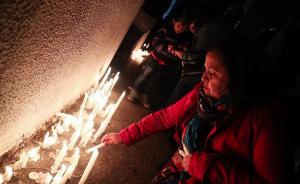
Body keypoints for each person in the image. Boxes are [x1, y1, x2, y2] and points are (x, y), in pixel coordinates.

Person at [101, 37, 292, 183]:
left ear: (239, 79)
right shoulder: (202, 95)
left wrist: (207, 167)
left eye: (212, 73)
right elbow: (165, 117)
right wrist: (125, 135)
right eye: (204, 70)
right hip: (174, 173)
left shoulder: (266, 121)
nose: (202, 79)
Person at [127, 6, 193, 109]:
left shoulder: (183, 39)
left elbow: (181, 54)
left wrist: (178, 51)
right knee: (145, 75)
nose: (180, 29)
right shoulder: (165, 31)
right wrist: (168, 50)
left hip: (165, 64)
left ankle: (144, 95)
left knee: (153, 81)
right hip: (154, 59)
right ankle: (134, 91)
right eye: (179, 25)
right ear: (173, 22)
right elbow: (155, 42)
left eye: (183, 28)